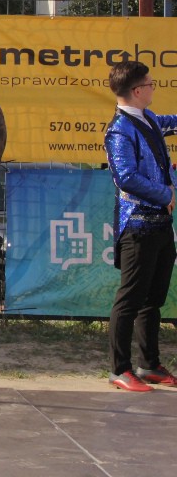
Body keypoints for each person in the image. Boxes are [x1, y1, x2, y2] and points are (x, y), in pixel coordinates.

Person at [104, 60, 177, 391]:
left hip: (161, 225)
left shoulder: (147, 119)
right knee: (130, 298)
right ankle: (121, 369)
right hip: (137, 226)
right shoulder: (120, 130)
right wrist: (166, 193)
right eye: (150, 84)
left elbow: (170, 122)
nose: (153, 88)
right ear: (136, 91)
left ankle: (150, 365)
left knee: (154, 299)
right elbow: (127, 177)